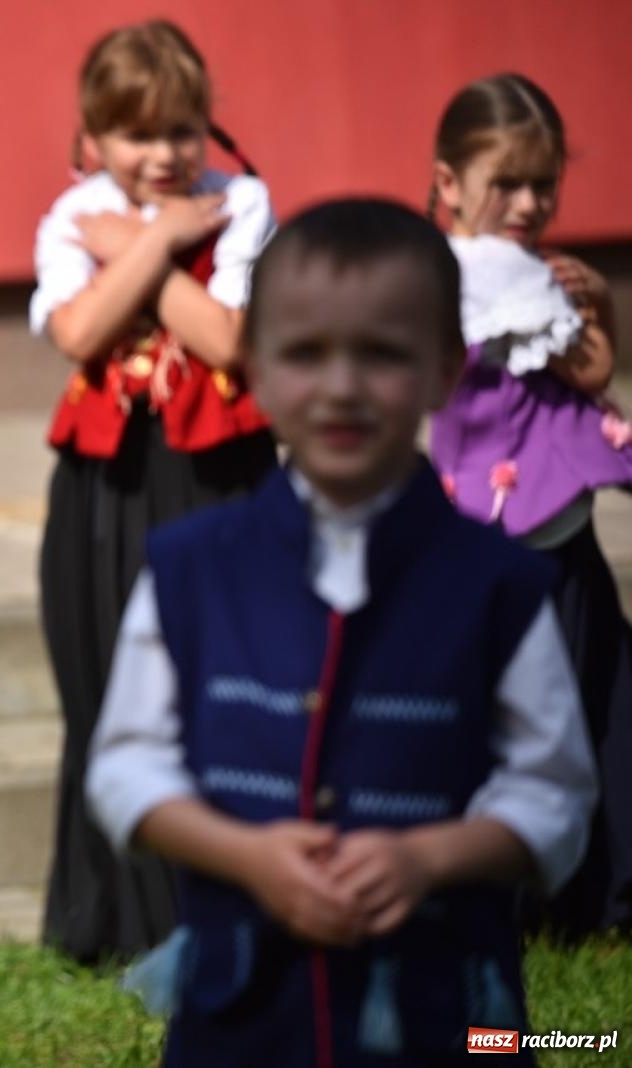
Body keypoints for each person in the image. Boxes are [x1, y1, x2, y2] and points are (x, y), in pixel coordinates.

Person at [87, 198, 596, 1065]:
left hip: (446, 1007)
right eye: (305, 354)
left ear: (445, 369)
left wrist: (430, 858)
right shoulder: (188, 569)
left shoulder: (499, 583)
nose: (342, 387)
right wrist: (245, 856)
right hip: (242, 1011)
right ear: (254, 368)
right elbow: (127, 765)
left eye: (383, 354)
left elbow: (554, 789)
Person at [28, 18, 278, 962]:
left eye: (182, 130)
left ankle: (220, 906)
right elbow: (80, 333)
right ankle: (111, 920)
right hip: (108, 479)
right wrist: (162, 241)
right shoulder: (73, 213)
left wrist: (147, 244)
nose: (165, 154)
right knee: (101, 676)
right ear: (94, 137)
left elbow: (230, 342)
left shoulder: (242, 201)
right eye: (138, 134)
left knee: (218, 682)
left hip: (218, 476)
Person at [427, 72, 632, 936]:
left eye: (543, 183)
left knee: (586, 702)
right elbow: (592, 370)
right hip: (518, 540)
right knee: (564, 713)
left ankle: (555, 900)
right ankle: (560, 900)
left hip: (539, 530)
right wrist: (600, 305)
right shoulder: (494, 275)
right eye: (505, 182)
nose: (527, 203)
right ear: (448, 183)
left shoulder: (445, 270)